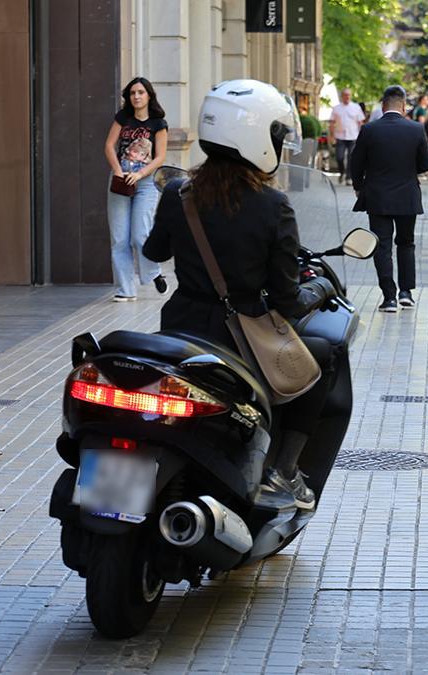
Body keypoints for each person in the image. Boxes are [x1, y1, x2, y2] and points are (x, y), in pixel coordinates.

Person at [143, 79, 338, 510]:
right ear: (256, 136)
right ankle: (285, 470)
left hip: (180, 330)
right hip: (240, 341)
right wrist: (323, 285)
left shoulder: (179, 192)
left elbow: (153, 251)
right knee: (324, 355)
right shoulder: (273, 205)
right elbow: (287, 298)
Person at [349, 85, 428, 312]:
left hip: (378, 198)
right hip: (407, 197)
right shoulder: (416, 129)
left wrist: (358, 187)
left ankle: (389, 297)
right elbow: (425, 164)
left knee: (382, 246)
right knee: (406, 244)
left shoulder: (370, 130)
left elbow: (356, 163)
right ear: (404, 106)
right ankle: (406, 293)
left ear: (383, 105)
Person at [104, 77, 169, 302]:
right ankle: (126, 289)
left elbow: (160, 156)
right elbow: (109, 146)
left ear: (149, 95)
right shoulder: (123, 118)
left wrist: (140, 174)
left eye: (141, 92)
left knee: (140, 234)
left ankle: (154, 272)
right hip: (121, 181)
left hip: (145, 183)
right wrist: (117, 170)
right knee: (120, 238)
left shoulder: (158, 123)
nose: (137, 96)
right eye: (133, 93)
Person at [329, 88, 365, 184]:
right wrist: (332, 136)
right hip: (340, 136)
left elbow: (360, 122)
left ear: (351, 96)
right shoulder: (336, 108)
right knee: (339, 157)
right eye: (345, 95)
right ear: (342, 96)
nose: (347, 97)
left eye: (349, 95)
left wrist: (362, 136)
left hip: (353, 136)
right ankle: (341, 172)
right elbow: (332, 123)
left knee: (351, 157)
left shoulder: (356, 107)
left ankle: (349, 177)